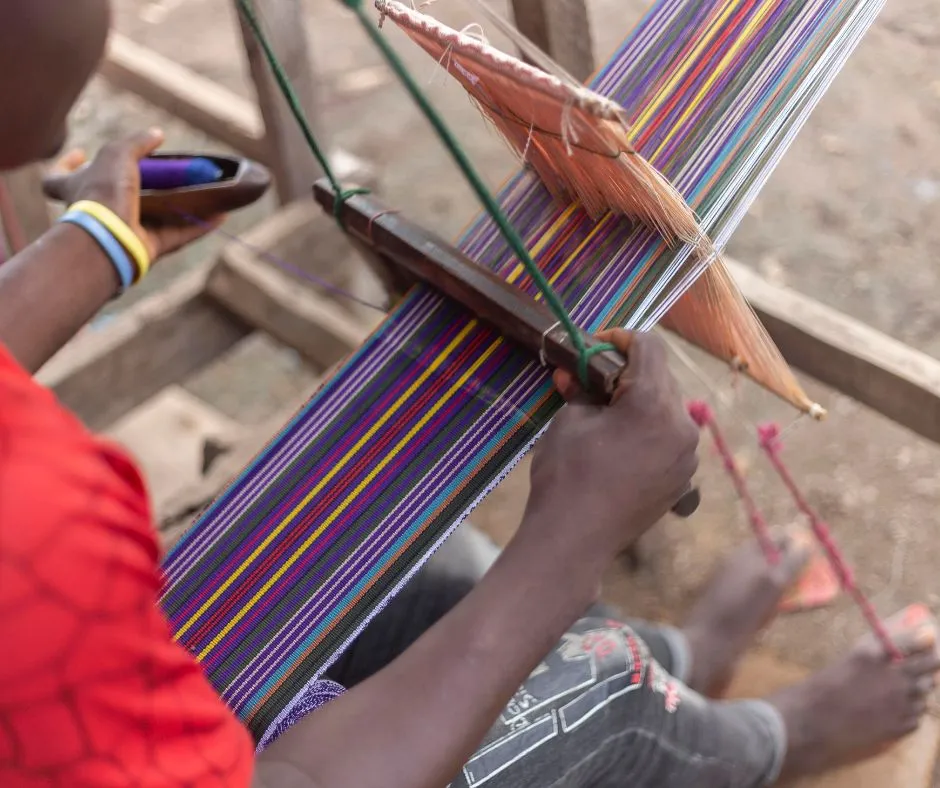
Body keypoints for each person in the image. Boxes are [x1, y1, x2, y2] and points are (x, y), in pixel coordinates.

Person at [1, 2, 936, 787]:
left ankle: (688, 659)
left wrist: (92, 248)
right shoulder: (49, 533)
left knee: (432, 571)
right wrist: (575, 539)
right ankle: (782, 739)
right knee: (598, 694)